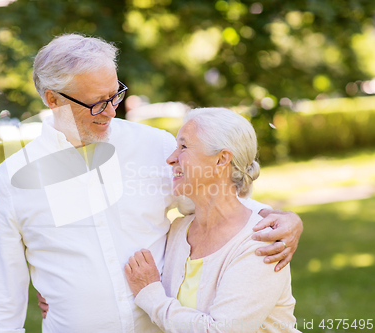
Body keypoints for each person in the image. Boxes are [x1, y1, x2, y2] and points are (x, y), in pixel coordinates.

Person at [0, 34, 303, 333]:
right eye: (96, 102)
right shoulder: (13, 180)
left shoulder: (155, 147)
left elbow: (218, 202)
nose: (111, 111)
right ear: (53, 99)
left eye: (115, 94)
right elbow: (2, 304)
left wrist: (283, 220)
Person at [125, 108, 300, 332]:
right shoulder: (179, 229)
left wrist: (150, 294)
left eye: (184, 147)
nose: (170, 159)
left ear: (221, 160)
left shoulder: (261, 243)